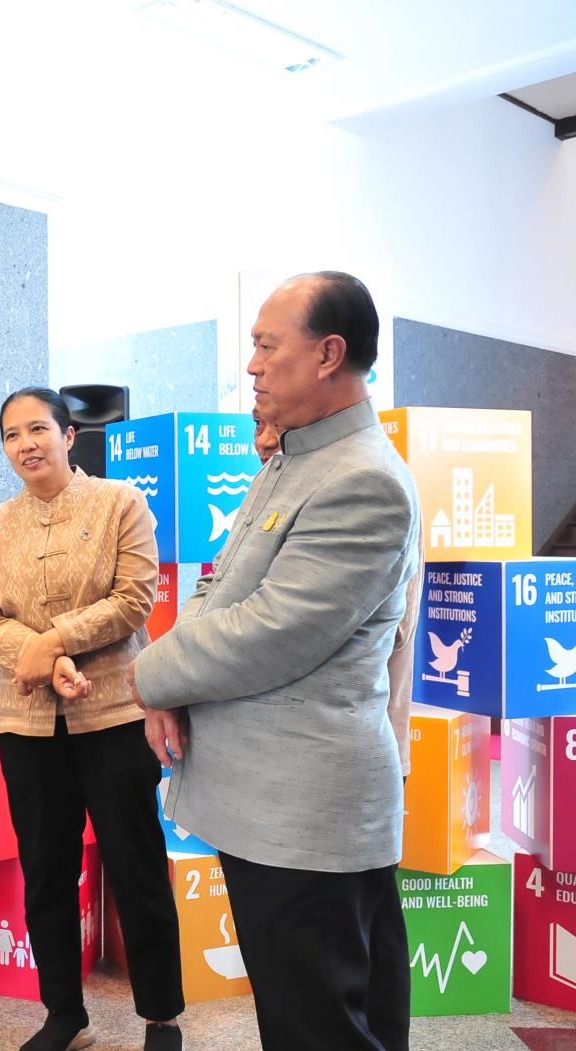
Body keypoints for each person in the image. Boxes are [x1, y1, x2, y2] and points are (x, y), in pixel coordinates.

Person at [132, 273, 419, 1051]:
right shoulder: (292, 461)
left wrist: (149, 675)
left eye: (266, 346)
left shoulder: (363, 481)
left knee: (320, 1029)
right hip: (269, 811)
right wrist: (172, 682)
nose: (252, 366)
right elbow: (219, 588)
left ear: (329, 354)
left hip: (307, 816)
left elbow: (271, 630)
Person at [0, 386, 185, 1051]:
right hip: (27, 724)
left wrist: (54, 639)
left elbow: (134, 598)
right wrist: (39, 656)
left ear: (68, 435)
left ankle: (161, 1015)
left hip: (113, 713)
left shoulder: (121, 503)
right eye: (11, 435)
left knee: (136, 864)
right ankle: (63, 1012)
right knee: (46, 872)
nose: (25, 444)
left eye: (38, 428)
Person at [251, 405, 420, 778]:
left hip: (353, 752)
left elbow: (392, 630)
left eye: (279, 426)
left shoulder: (368, 486)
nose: (265, 442)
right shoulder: (272, 500)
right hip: (286, 751)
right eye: (258, 424)